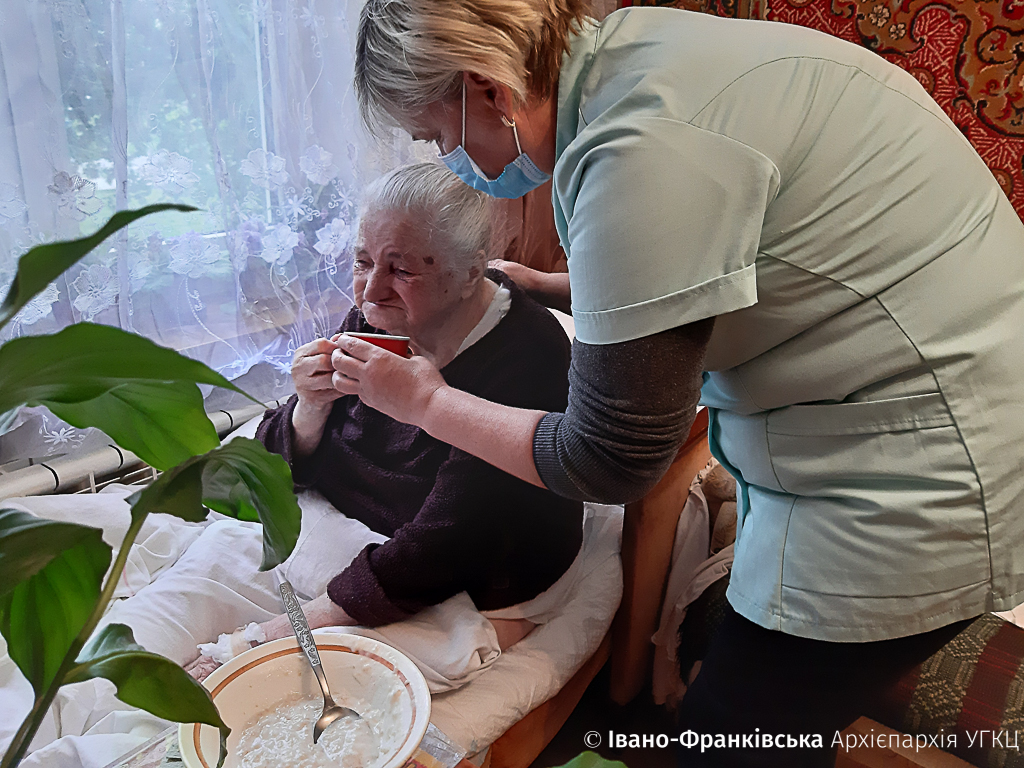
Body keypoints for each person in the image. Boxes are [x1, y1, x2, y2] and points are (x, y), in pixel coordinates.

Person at [337, 2, 1024, 765]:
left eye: (436, 135)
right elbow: (708, 254)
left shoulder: (639, 153)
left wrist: (425, 402)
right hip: (940, 399)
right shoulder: (643, 57)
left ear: (488, 90)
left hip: (929, 469)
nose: (446, 156)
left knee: (733, 737)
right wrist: (568, 288)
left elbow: (608, 459)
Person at [252, 161, 583, 654]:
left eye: (401, 269)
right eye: (362, 262)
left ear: (471, 272)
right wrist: (310, 407)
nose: (369, 292)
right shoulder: (379, 320)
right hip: (363, 531)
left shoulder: (529, 357)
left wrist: (273, 634)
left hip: (468, 568)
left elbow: (450, 541)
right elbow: (275, 461)